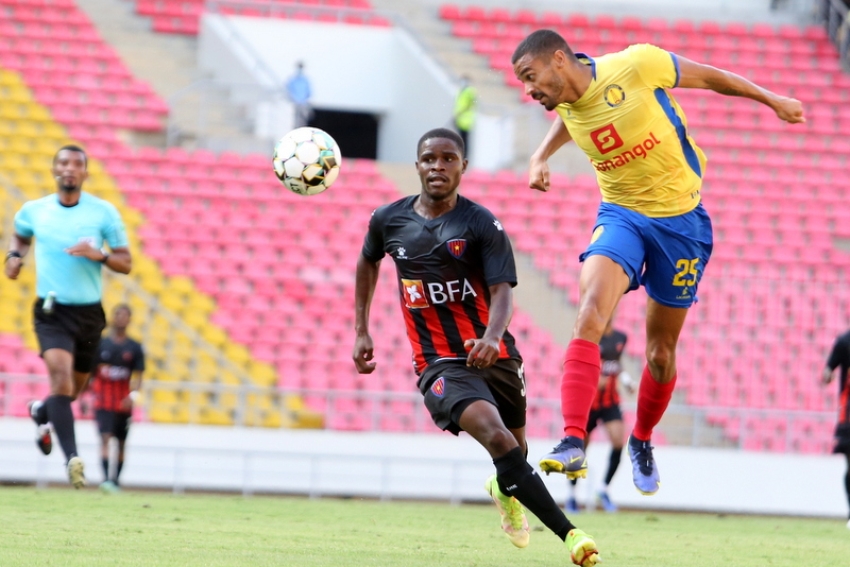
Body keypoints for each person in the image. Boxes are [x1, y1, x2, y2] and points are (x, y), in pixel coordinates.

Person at [511, 30, 804, 495]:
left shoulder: (636, 65)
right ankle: (572, 439)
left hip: (680, 224)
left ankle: (642, 439)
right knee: (589, 312)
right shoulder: (563, 99)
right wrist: (539, 155)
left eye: (530, 77)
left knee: (660, 354)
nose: (528, 90)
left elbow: (714, 79)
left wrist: (772, 100)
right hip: (621, 215)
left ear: (560, 60)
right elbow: (573, 114)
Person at [353, 128, 599, 567]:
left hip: (495, 354)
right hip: (440, 363)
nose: (438, 167)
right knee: (499, 440)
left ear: (462, 166)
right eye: (429, 159)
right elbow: (368, 259)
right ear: (417, 166)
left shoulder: (481, 224)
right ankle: (571, 535)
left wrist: (490, 336)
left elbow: (502, 292)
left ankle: (502, 491)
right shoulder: (388, 220)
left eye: (448, 159)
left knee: (516, 457)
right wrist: (361, 329)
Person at [5, 144, 132, 489]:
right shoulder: (35, 211)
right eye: (63, 162)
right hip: (51, 311)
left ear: (85, 173)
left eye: (77, 163)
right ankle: (72, 458)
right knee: (60, 382)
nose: (70, 168)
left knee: (73, 391)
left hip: (90, 315)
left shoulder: (103, 213)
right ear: (54, 170)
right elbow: (20, 233)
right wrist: (14, 257)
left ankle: (41, 413)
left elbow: (126, 263)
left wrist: (99, 255)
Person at [566, 317, 633, 513]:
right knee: (580, 449)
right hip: (588, 402)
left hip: (611, 402)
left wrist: (627, 381)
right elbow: (571, 365)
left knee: (619, 441)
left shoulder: (621, 337)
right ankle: (572, 496)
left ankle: (603, 490)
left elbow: (616, 365)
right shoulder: (588, 336)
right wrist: (593, 379)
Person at [91, 304, 144, 492]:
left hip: (123, 403)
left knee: (121, 443)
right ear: (113, 318)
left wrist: (133, 395)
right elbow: (91, 374)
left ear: (129, 319)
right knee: (105, 439)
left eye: (124, 315)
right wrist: (85, 397)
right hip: (103, 402)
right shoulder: (101, 345)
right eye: (118, 314)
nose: (121, 318)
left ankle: (116, 481)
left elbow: (139, 375)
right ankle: (106, 480)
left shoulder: (135, 347)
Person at [822, 329, 850, 529]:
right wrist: (827, 375)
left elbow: (827, 373)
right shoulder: (844, 342)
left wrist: (827, 375)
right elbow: (827, 371)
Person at [453, 75, 477, 156]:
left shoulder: (470, 91)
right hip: (460, 119)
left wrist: (461, 112)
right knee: (460, 140)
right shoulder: (461, 90)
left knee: (464, 140)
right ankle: (461, 156)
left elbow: (471, 103)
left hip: (466, 120)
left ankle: (464, 157)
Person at [286, 61, 313, 129]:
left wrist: (304, 100)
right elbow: (288, 90)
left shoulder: (305, 80)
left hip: (303, 104)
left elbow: (309, 92)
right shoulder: (293, 79)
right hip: (294, 103)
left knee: (302, 121)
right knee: (294, 120)